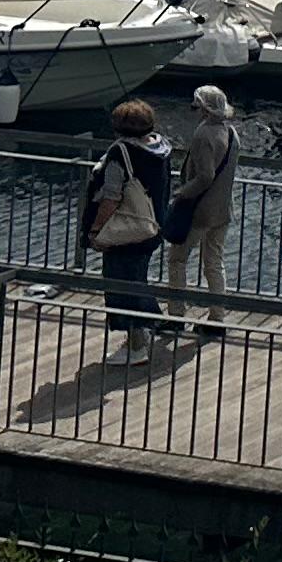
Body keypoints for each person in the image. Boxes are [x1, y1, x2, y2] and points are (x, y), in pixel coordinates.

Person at [84, 98, 177, 364]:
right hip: (151, 225)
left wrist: (96, 229)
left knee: (120, 283)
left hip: (125, 231)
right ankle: (148, 326)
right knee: (137, 278)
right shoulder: (160, 148)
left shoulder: (121, 154)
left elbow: (112, 196)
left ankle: (135, 345)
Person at [165, 82, 243, 324]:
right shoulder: (231, 133)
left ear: (205, 110)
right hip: (223, 210)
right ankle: (217, 316)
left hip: (200, 211)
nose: (194, 110)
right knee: (214, 262)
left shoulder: (203, 135)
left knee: (177, 259)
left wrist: (182, 193)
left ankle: (177, 314)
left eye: (196, 106)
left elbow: (205, 176)